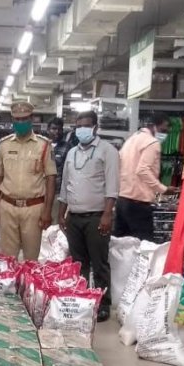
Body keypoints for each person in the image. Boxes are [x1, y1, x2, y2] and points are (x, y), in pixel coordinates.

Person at [57, 111, 120, 323]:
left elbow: (112, 186)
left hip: (96, 217)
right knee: (77, 262)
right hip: (74, 216)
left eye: (86, 125)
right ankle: (82, 300)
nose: (81, 130)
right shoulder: (72, 152)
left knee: (99, 262)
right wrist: (61, 212)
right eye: (78, 126)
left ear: (95, 127)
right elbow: (66, 185)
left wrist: (107, 215)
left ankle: (103, 304)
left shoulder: (107, 151)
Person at [0, 101, 56, 260]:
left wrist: (47, 211)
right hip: (7, 207)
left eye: (24, 118)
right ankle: (11, 285)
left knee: (31, 259)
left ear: (32, 118)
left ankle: (28, 285)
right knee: (8, 258)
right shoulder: (4, 145)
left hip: (33, 209)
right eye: (17, 119)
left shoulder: (44, 145)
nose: (20, 122)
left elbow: (51, 179)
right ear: (12, 120)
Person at [116, 111, 177, 241]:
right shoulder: (152, 143)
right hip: (138, 204)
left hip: (122, 200)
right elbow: (142, 170)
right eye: (163, 130)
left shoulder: (132, 139)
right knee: (143, 247)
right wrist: (163, 189)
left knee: (120, 246)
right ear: (153, 126)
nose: (164, 134)